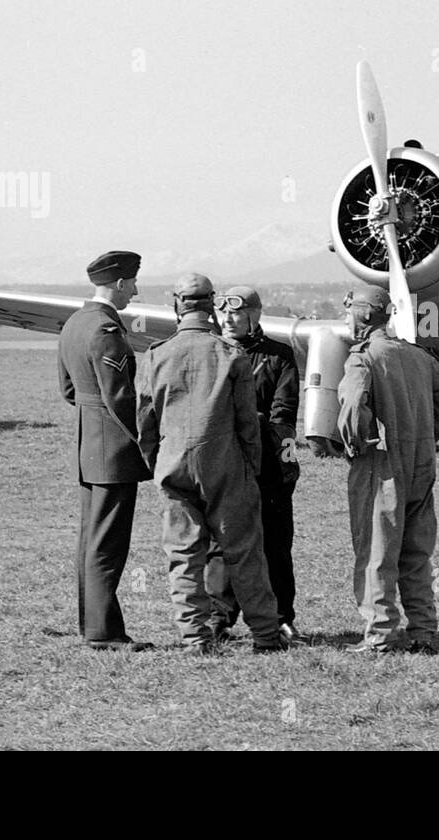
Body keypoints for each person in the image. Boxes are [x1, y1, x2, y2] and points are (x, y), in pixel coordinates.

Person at [136, 272, 287, 654]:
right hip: (225, 464)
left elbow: (145, 423)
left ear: (177, 305)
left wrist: (158, 463)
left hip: (173, 464)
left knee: (184, 556)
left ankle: (195, 639)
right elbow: (247, 425)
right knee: (244, 552)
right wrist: (249, 467)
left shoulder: (155, 355)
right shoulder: (230, 355)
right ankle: (266, 636)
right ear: (211, 306)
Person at [336, 285, 439, 654]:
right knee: (415, 552)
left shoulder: (362, 358)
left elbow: (351, 410)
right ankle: (423, 630)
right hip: (421, 464)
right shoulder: (417, 356)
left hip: (381, 465)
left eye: (348, 312)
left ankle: (381, 634)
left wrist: (355, 444)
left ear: (363, 315)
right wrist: (426, 433)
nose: (345, 318)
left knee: (377, 551)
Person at [57, 250, 153, 651]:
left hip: (89, 446)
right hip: (113, 452)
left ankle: (92, 625)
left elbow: (67, 390)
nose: (135, 289)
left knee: (91, 540)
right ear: (117, 284)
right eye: (131, 282)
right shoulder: (104, 330)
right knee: (108, 545)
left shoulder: (74, 324)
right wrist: (147, 440)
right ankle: (104, 633)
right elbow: (120, 398)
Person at [208, 285, 306, 644]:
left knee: (275, 542)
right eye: (223, 312)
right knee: (221, 542)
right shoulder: (213, 352)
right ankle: (219, 618)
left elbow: (285, 413)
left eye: (236, 312)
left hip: (267, 461)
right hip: (224, 461)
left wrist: (278, 460)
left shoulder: (278, 356)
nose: (228, 319)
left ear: (255, 315)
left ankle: (281, 617)